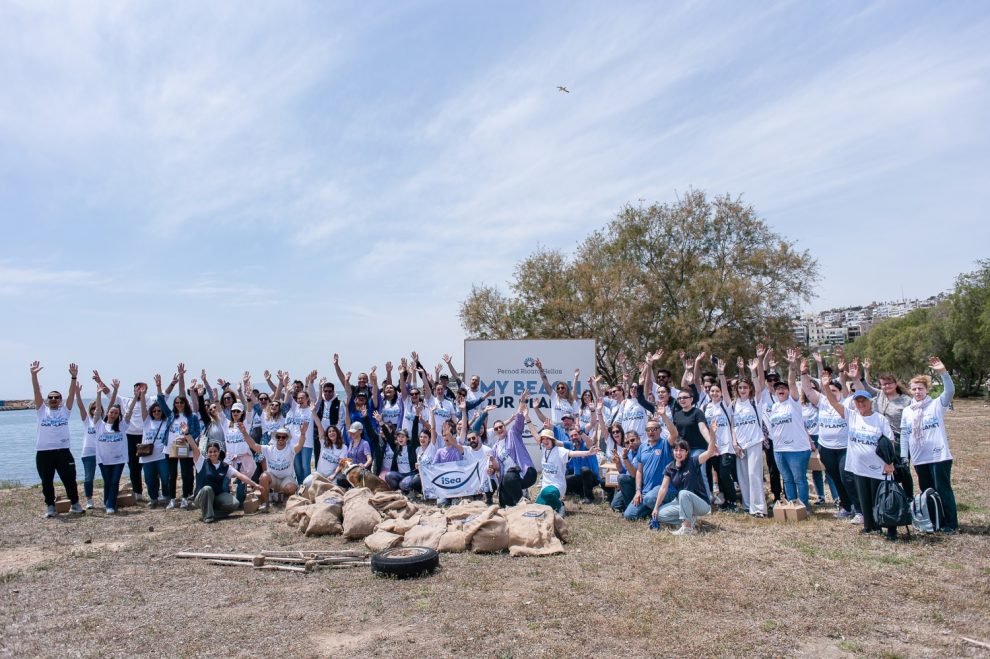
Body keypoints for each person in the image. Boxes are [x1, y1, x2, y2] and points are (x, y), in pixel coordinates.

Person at [820, 383, 898, 540]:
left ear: (870, 403)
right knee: (864, 498)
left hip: (878, 467)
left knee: (881, 498)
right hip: (858, 467)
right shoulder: (852, 416)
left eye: (864, 401)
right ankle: (870, 526)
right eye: (858, 401)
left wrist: (890, 463)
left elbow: (890, 442)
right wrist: (826, 386)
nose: (861, 404)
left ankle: (889, 527)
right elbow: (834, 402)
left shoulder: (879, 419)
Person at [900, 356, 958, 533]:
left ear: (927, 390)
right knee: (927, 491)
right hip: (919, 457)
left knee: (942, 489)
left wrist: (943, 372)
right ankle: (934, 520)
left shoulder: (936, 405)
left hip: (938, 455)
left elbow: (949, 392)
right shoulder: (907, 411)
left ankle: (950, 523)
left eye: (921, 388)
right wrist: (904, 455)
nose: (917, 392)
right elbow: (904, 433)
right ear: (911, 391)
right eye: (915, 389)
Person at [800, 367, 857, 520]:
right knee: (836, 478)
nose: (831, 393)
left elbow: (856, 389)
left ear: (841, 392)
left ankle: (858, 508)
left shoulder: (847, 403)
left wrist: (849, 377)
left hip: (844, 448)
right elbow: (807, 389)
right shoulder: (822, 402)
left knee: (847, 478)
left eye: (834, 391)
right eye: (828, 390)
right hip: (826, 448)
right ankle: (846, 507)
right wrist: (804, 373)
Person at [30, 361, 84, 517]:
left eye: (57, 397)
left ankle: (75, 504)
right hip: (44, 453)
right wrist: (34, 375)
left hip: (63, 452)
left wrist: (74, 378)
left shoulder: (64, 411)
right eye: (51, 397)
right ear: (47, 400)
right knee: (47, 482)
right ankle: (50, 507)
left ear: (60, 400)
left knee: (70, 480)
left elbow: (72, 394)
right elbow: (36, 392)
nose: (53, 399)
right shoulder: (42, 411)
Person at [766, 350, 816, 510]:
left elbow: (792, 382)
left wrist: (792, 366)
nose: (780, 390)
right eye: (777, 388)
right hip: (779, 449)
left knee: (799, 478)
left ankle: (804, 507)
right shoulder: (774, 406)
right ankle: (792, 505)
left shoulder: (793, 402)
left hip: (797, 449)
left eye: (783, 388)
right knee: (787, 479)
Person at [650, 420, 720, 535]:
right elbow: (663, 488)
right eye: (676, 450)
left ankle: (686, 528)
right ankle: (689, 518)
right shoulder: (670, 467)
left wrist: (712, 434)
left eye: (682, 450)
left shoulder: (693, 461)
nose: (678, 452)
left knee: (683, 493)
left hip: (701, 504)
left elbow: (710, 451)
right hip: (682, 502)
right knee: (660, 515)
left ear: (687, 452)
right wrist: (656, 507)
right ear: (673, 452)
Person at [184, 423, 263, 523]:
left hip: (216, 496)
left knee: (234, 503)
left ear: (219, 452)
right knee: (207, 489)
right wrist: (187, 433)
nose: (212, 454)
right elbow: (194, 447)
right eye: (210, 452)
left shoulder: (225, 466)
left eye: (215, 451)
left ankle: (213, 513)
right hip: (201, 496)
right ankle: (208, 516)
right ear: (207, 453)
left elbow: (241, 476)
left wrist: (255, 484)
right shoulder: (201, 462)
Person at [623, 408, 679, 520]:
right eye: (648, 429)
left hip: (665, 489)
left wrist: (663, 415)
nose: (651, 432)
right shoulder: (642, 447)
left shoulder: (665, 444)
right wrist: (638, 490)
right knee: (629, 515)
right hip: (646, 491)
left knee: (649, 499)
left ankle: (674, 512)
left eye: (654, 429)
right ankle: (654, 509)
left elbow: (674, 433)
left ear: (660, 430)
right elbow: (639, 471)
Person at [158, 364, 200, 510]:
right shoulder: (171, 415)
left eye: (182, 402)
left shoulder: (192, 416)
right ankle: (172, 499)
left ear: (185, 403)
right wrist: (167, 384)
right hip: (170, 449)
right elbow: (160, 399)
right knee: (171, 475)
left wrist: (186, 437)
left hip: (186, 449)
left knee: (187, 475)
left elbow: (197, 432)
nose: (179, 405)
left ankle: (185, 498)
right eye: (176, 403)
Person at [730, 357, 767, 518]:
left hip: (754, 442)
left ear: (749, 388)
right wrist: (735, 443)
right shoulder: (734, 404)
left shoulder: (755, 401)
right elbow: (733, 425)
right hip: (740, 445)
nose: (742, 390)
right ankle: (747, 505)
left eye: (745, 387)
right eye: (740, 387)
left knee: (754, 475)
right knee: (743, 476)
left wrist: (753, 371)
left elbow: (759, 389)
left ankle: (759, 508)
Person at [533, 427, 599, 515]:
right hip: (546, 485)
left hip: (557, 485)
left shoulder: (560, 451)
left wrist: (588, 453)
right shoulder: (544, 449)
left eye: (547, 438)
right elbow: (535, 435)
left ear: (552, 440)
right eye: (543, 439)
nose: (545, 441)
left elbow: (572, 453)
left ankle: (560, 506)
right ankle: (553, 505)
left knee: (547, 493)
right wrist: (527, 419)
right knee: (539, 507)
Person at [491, 391, 539, 507]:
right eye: (496, 429)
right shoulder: (495, 447)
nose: (499, 430)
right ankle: (518, 498)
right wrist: (492, 462)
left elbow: (518, 418)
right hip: (508, 479)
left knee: (509, 476)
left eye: (501, 427)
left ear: (505, 427)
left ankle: (523, 500)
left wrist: (522, 401)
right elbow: (498, 468)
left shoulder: (513, 433)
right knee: (504, 504)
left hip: (525, 472)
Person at [702, 360, 738, 511]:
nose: (715, 393)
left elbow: (724, 388)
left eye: (717, 391)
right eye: (712, 391)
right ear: (708, 393)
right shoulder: (705, 407)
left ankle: (732, 501)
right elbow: (705, 428)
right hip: (714, 448)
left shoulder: (726, 404)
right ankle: (725, 501)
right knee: (718, 474)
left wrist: (721, 374)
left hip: (726, 447)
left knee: (724, 474)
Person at [127, 388, 170, 508]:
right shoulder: (147, 421)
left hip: (162, 455)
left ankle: (166, 495)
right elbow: (143, 409)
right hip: (147, 456)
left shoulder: (166, 422)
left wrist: (159, 388)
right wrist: (141, 395)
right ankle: (154, 498)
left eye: (159, 411)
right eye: (155, 411)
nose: (157, 412)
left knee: (166, 477)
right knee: (150, 480)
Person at [253, 427, 305, 510]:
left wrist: (302, 434)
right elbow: (253, 445)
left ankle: (283, 498)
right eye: (278, 437)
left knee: (290, 488)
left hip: (286, 479)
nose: (281, 439)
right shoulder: (269, 448)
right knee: (263, 477)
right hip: (273, 478)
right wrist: (244, 433)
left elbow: (300, 445)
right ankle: (265, 504)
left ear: (286, 438)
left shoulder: (290, 449)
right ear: (275, 438)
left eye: (283, 437)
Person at [95, 379, 127, 514]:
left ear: (119, 415)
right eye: (111, 412)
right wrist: (98, 394)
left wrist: (116, 391)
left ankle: (110, 505)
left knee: (114, 481)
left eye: (116, 413)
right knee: (107, 481)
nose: (113, 414)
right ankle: (107, 501)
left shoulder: (122, 426)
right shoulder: (99, 424)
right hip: (104, 459)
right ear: (108, 413)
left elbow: (129, 411)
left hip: (118, 459)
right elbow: (97, 410)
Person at [73, 380, 99, 509]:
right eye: (92, 408)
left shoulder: (104, 421)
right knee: (89, 477)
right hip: (88, 452)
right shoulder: (87, 420)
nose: (95, 410)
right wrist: (78, 393)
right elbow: (81, 406)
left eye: (97, 408)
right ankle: (89, 500)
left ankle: (111, 497)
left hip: (103, 452)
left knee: (109, 476)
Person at [335, 422, 373, 489]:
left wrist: (364, 465)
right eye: (351, 432)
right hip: (351, 470)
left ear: (360, 431)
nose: (351, 434)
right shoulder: (350, 442)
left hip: (360, 471)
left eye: (354, 432)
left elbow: (369, 459)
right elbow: (347, 423)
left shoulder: (365, 443)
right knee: (339, 479)